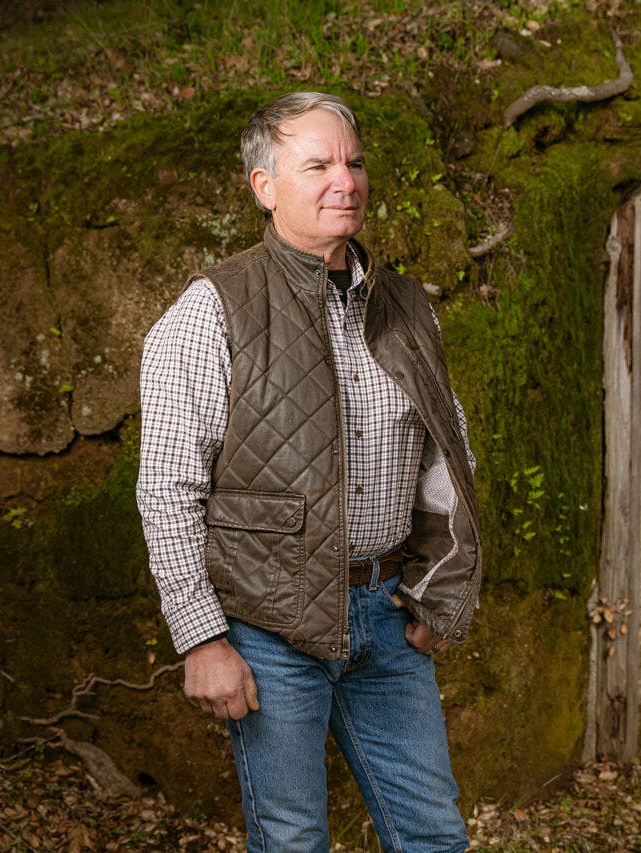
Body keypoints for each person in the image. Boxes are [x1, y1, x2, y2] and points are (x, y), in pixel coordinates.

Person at [135, 91, 481, 853]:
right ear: (265, 186)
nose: (345, 182)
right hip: (268, 630)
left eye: (354, 163)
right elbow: (167, 486)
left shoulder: (407, 306)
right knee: (292, 841)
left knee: (435, 836)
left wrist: (439, 589)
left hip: (389, 617)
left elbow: (447, 453)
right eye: (317, 164)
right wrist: (201, 639)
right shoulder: (209, 307)